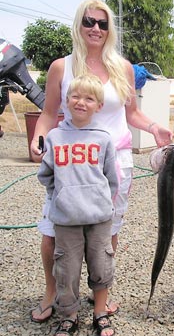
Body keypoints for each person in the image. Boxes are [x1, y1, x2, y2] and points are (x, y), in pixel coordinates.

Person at [30, 0, 173, 323]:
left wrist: (154, 127)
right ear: (79, 25)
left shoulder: (122, 67)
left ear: (109, 29)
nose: (96, 28)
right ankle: (52, 292)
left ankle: (99, 294)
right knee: (53, 231)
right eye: (89, 22)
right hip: (68, 163)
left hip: (113, 163)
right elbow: (49, 114)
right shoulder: (60, 67)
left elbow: (131, 113)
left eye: (102, 23)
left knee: (105, 235)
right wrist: (39, 140)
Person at [38, 74, 118, 336]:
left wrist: (102, 202)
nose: (81, 102)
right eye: (75, 96)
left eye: (89, 98)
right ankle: (69, 315)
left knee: (101, 265)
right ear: (66, 100)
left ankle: (100, 312)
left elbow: (111, 180)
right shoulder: (54, 136)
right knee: (66, 269)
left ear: (99, 106)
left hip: (98, 219)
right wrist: (63, 196)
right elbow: (46, 175)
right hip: (66, 220)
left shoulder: (104, 139)